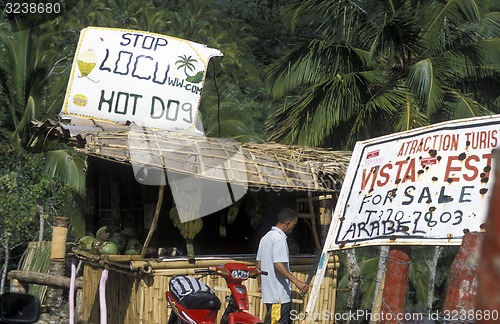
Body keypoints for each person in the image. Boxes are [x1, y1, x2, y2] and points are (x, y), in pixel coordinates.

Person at [256, 208, 309, 324]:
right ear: (287, 223)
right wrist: (297, 282)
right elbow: (278, 264)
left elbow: (259, 265)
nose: (293, 228)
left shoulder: (265, 238)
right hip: (278, 296)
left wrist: (260, 285)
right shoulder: (279, 239)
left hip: (269, 295)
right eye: (293, 225)